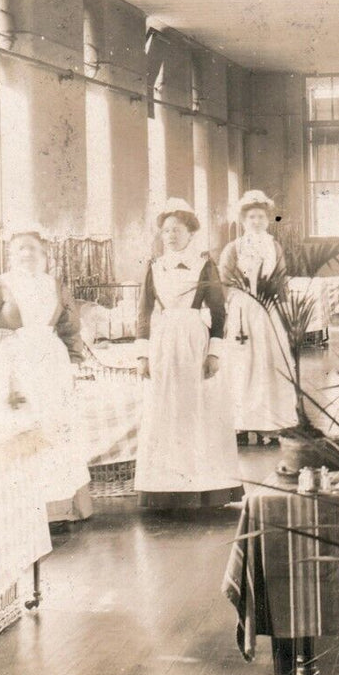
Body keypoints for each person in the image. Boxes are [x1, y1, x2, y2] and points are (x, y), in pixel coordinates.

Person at [0, 226, 91, 503]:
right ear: (10, 254)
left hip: (51, 365)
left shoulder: (55, 285)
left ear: (43, 253)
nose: (26, 253)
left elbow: (70, 327)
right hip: (14, 367)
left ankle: (57, 505)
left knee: (54, 428)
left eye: (32, 247)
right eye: (20, 248)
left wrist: (74, 361)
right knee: (19, 428)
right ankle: (20, 507)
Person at [133, 198, 240, 509]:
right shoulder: (154, 266)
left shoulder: (204, 265)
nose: (170, 236)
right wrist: (142, 355)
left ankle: (205, 488)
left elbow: (219, 311)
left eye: (177, 230)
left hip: (195, 341)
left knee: (198, 410)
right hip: (163, 343)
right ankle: (165, 490)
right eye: (166, 230)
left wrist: (214, 353)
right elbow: (143, 312)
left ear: (191, 233)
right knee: (165, 410)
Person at [217, 190, 297, 441]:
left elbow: (281, 279)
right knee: (242, 365)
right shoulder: (233, 248)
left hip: (268, 311)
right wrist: (237, 301)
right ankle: (239, 425)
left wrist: (283, 308)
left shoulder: (274, 246)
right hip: (242, 311)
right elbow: (223, 280)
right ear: (243, 220)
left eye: (261, 216)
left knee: (268, 363)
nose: (256, 221)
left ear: (268, 219)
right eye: (251, 217)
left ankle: (268, 425)